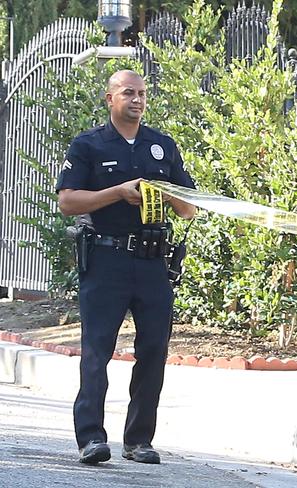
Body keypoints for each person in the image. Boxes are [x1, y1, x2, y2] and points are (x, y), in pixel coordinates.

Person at [56, 69, 196, 465]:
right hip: (106, 259)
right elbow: (68, 201)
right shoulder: (88, 145)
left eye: (142, 94)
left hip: (153, 263)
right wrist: (116, 192)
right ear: (110, 99)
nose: (137, 100)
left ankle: (138, 440)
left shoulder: (161, 146)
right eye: (128, 93)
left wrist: (171, 197)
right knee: (97, 350)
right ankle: (91, 439)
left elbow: (188, 210)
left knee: (154, 349)